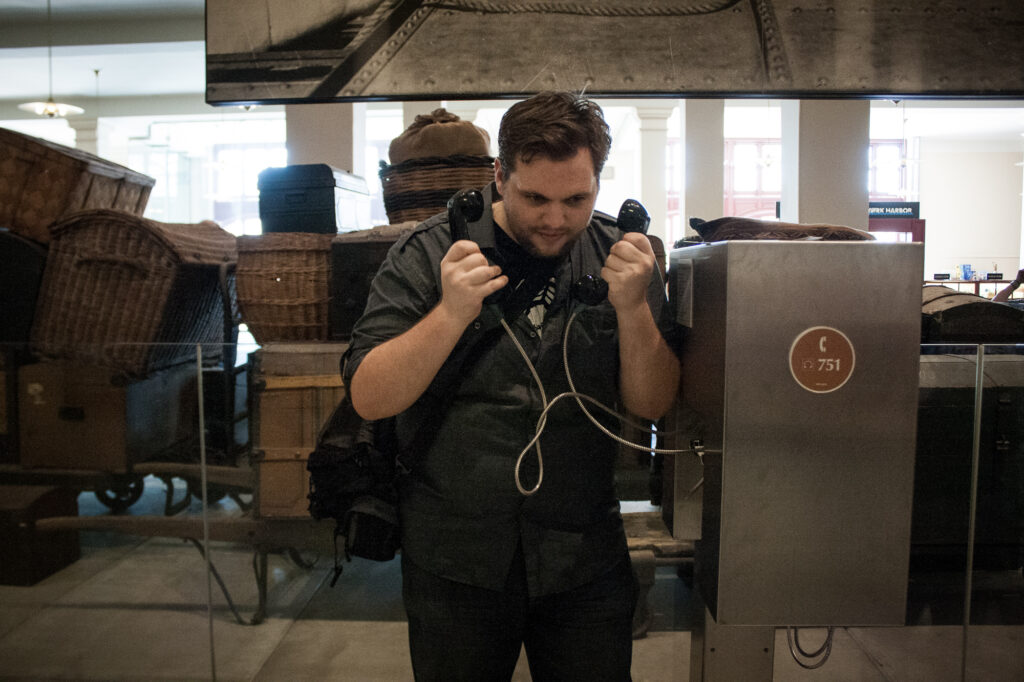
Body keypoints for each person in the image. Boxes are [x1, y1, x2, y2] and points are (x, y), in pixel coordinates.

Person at [344, 91, 680, 681]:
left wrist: (634, 312)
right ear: (500, 176)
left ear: (600, 183)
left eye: (577, 199)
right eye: (535, 198)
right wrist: (450, 313)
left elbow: (652, 404)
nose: (555, 220)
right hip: (456, 558)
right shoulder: (427, 253)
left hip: (583, 555)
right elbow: (370, 397)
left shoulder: (625, 257)